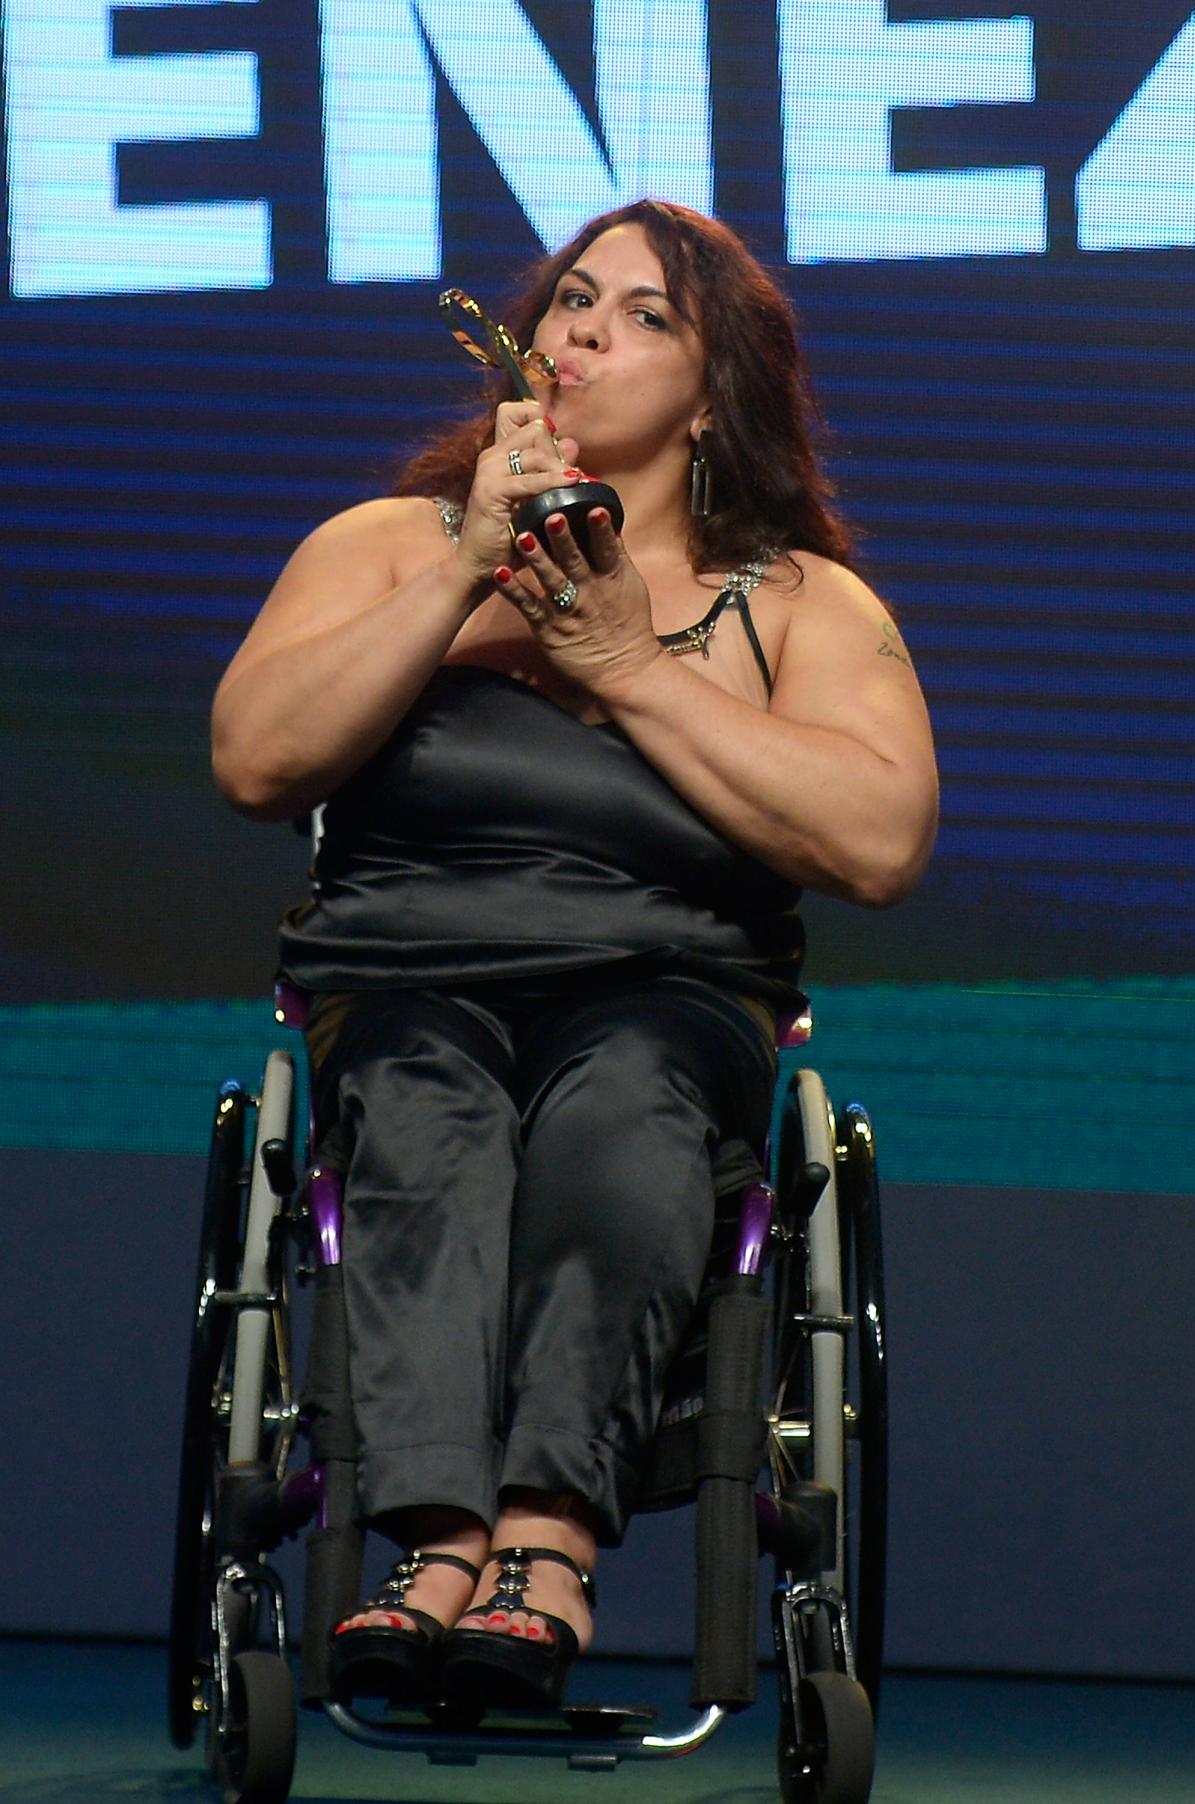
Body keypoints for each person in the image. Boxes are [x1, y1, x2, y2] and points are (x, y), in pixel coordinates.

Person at [210, 199, 938, 1712]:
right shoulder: (384, 546)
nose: (584, 332)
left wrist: (624, 664)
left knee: (621, 1112)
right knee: (422, 1115)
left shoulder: (800, 603)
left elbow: (877, 843)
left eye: (644, 314)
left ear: (717, 390)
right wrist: (468, 569)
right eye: (571, 301)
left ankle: (548, 1546)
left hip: (668, 997)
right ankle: (436, 1542)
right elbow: (258, 759)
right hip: (407, 978)